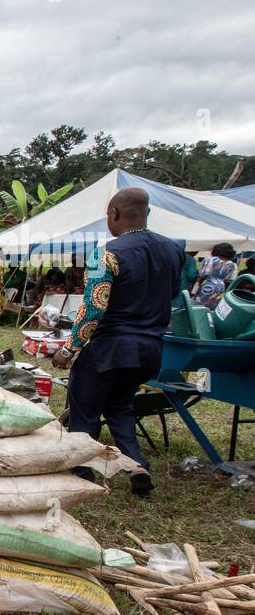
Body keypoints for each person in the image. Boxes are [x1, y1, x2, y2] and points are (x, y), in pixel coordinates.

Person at [53, 187, 183, 497]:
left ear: (114, 214)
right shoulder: (174, 251)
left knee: (84, 411)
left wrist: (68, 349)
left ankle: (81, 474)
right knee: (121, 406)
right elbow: (174, 294)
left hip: (108, 348)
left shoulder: (106, 253)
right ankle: (136, 465)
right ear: (147, 214)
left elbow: (93, 308)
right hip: (150, 349)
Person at [195, 242, 238, 310]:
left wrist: (194, 290)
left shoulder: (210, 260)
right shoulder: (233, 265)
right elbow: (231, 279)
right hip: (221, 287)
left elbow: (202, 275)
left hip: (208, 284)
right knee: (214, 305)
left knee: (200, 305)